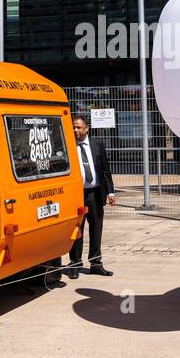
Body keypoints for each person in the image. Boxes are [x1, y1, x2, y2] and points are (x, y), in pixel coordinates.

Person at [68, 113, 115, 278]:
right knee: (76, 230)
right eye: (73, 127)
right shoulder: (68, 146)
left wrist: (110, 191)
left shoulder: (97, 145)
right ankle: (75, 263)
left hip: (95, 193)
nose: (75, 130)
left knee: (96, 228)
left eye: (78, 127)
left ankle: (96, 263)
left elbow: (105, 169)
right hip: (76, 195)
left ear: (86, 128)